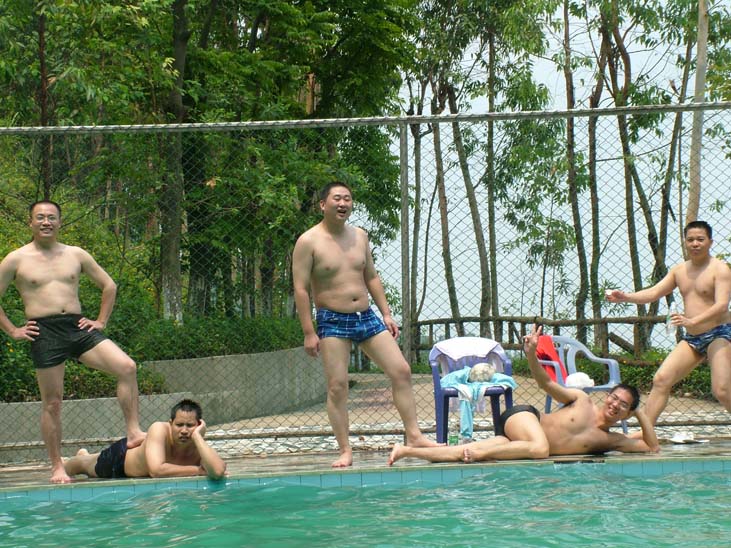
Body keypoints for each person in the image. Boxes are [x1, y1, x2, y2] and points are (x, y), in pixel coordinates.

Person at [292, 181, 437, 467]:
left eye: (347, 199)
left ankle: (414, 436)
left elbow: (370, 276)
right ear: (322, 204)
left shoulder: (360, 236)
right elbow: (300, 289)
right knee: (337, 386)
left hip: (366, 316)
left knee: (401, 371)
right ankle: (345, 450)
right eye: (337, 198)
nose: (342, 203)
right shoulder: (308, 241)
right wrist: (309, 332)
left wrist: (386, 314)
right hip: (332, 319)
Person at [0, 200, 146, 484]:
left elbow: (109, 285)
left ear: (59, 222)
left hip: (78, 327)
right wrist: (13, 331)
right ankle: (57, 466)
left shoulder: (76, 254)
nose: (46, 222)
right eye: (40, 217)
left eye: (51, 217)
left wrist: (101, 320)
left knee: (127, 367)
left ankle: (133, 431)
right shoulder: (16, 259)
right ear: (30, 222)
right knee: (52, 403)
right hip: (44, 332)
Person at [388, 324, 659, 465]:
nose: (615, 405)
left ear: (627, 413)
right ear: (607, 396)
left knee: (465, 452)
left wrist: (640, 412)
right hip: (524, 418)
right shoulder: (582, 400)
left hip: (519, 442)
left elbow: (652, 447)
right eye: (614, 398)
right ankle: (481, 455)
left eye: (624, 405)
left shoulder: (612, 440)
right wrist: (531, 355)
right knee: (540, 449)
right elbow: (546, 383)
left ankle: (407, 451)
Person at [606, 220, 731, 430]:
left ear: (710, 242)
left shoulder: (720, 269)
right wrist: (625, 297)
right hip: (693, 338)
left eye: (700, 239)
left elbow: (721, 305)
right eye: (690, 239)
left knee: (722, 390)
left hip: (720, 333)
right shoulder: (679, 271)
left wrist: (692, 321)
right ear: (685, 242)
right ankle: (646, 435)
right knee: (661, 379)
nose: (695, 244)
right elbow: (654, 292)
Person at [64, 399, 226, 480]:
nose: (184, 431)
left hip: (140, 458)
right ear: (171, 423)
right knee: (81, 466)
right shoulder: (159, 428)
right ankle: (74, 459)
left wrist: (197, 436)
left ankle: (85, 455)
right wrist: (198, 471)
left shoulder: (198, 441)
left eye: (190, 426)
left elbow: (218, 471)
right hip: (119, 460)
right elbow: (156, 471)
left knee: (88, 460)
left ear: (199, 425)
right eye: (179, 425)